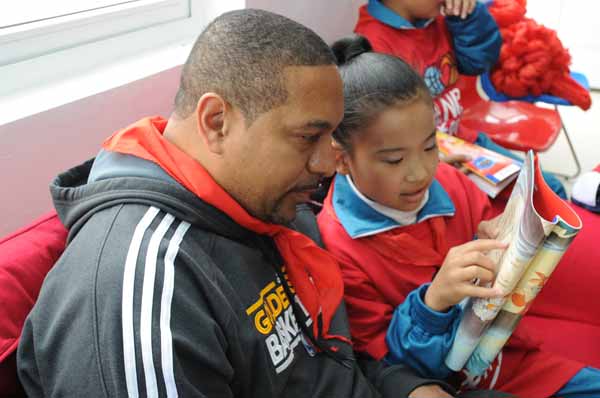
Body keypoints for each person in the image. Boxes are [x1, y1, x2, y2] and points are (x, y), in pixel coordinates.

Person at [15, 9, 491, 398]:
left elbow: (324, 356)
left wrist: (404, 387)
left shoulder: (266, 203)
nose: (328, 162)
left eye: (331, 135)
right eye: (309, 136)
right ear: (217, 121)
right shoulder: (137, 293)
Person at [317, 35, 600, 397]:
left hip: (510, 353)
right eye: (394, 160)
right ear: (341, 159)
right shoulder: (338, 248)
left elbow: (484, 231)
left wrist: (501, 237)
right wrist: (434, 301)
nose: (419, 172)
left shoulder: (448, 181)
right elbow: (386, 365)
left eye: (430, 146)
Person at [353, 0, 567, 200]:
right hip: (431, 159)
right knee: (545, 196)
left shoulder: (435, 19)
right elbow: (387, 137)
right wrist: (431, 164)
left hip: (464, 142)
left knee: (551, 191)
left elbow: (478, 62)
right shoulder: (373, 44)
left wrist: (468, 18)